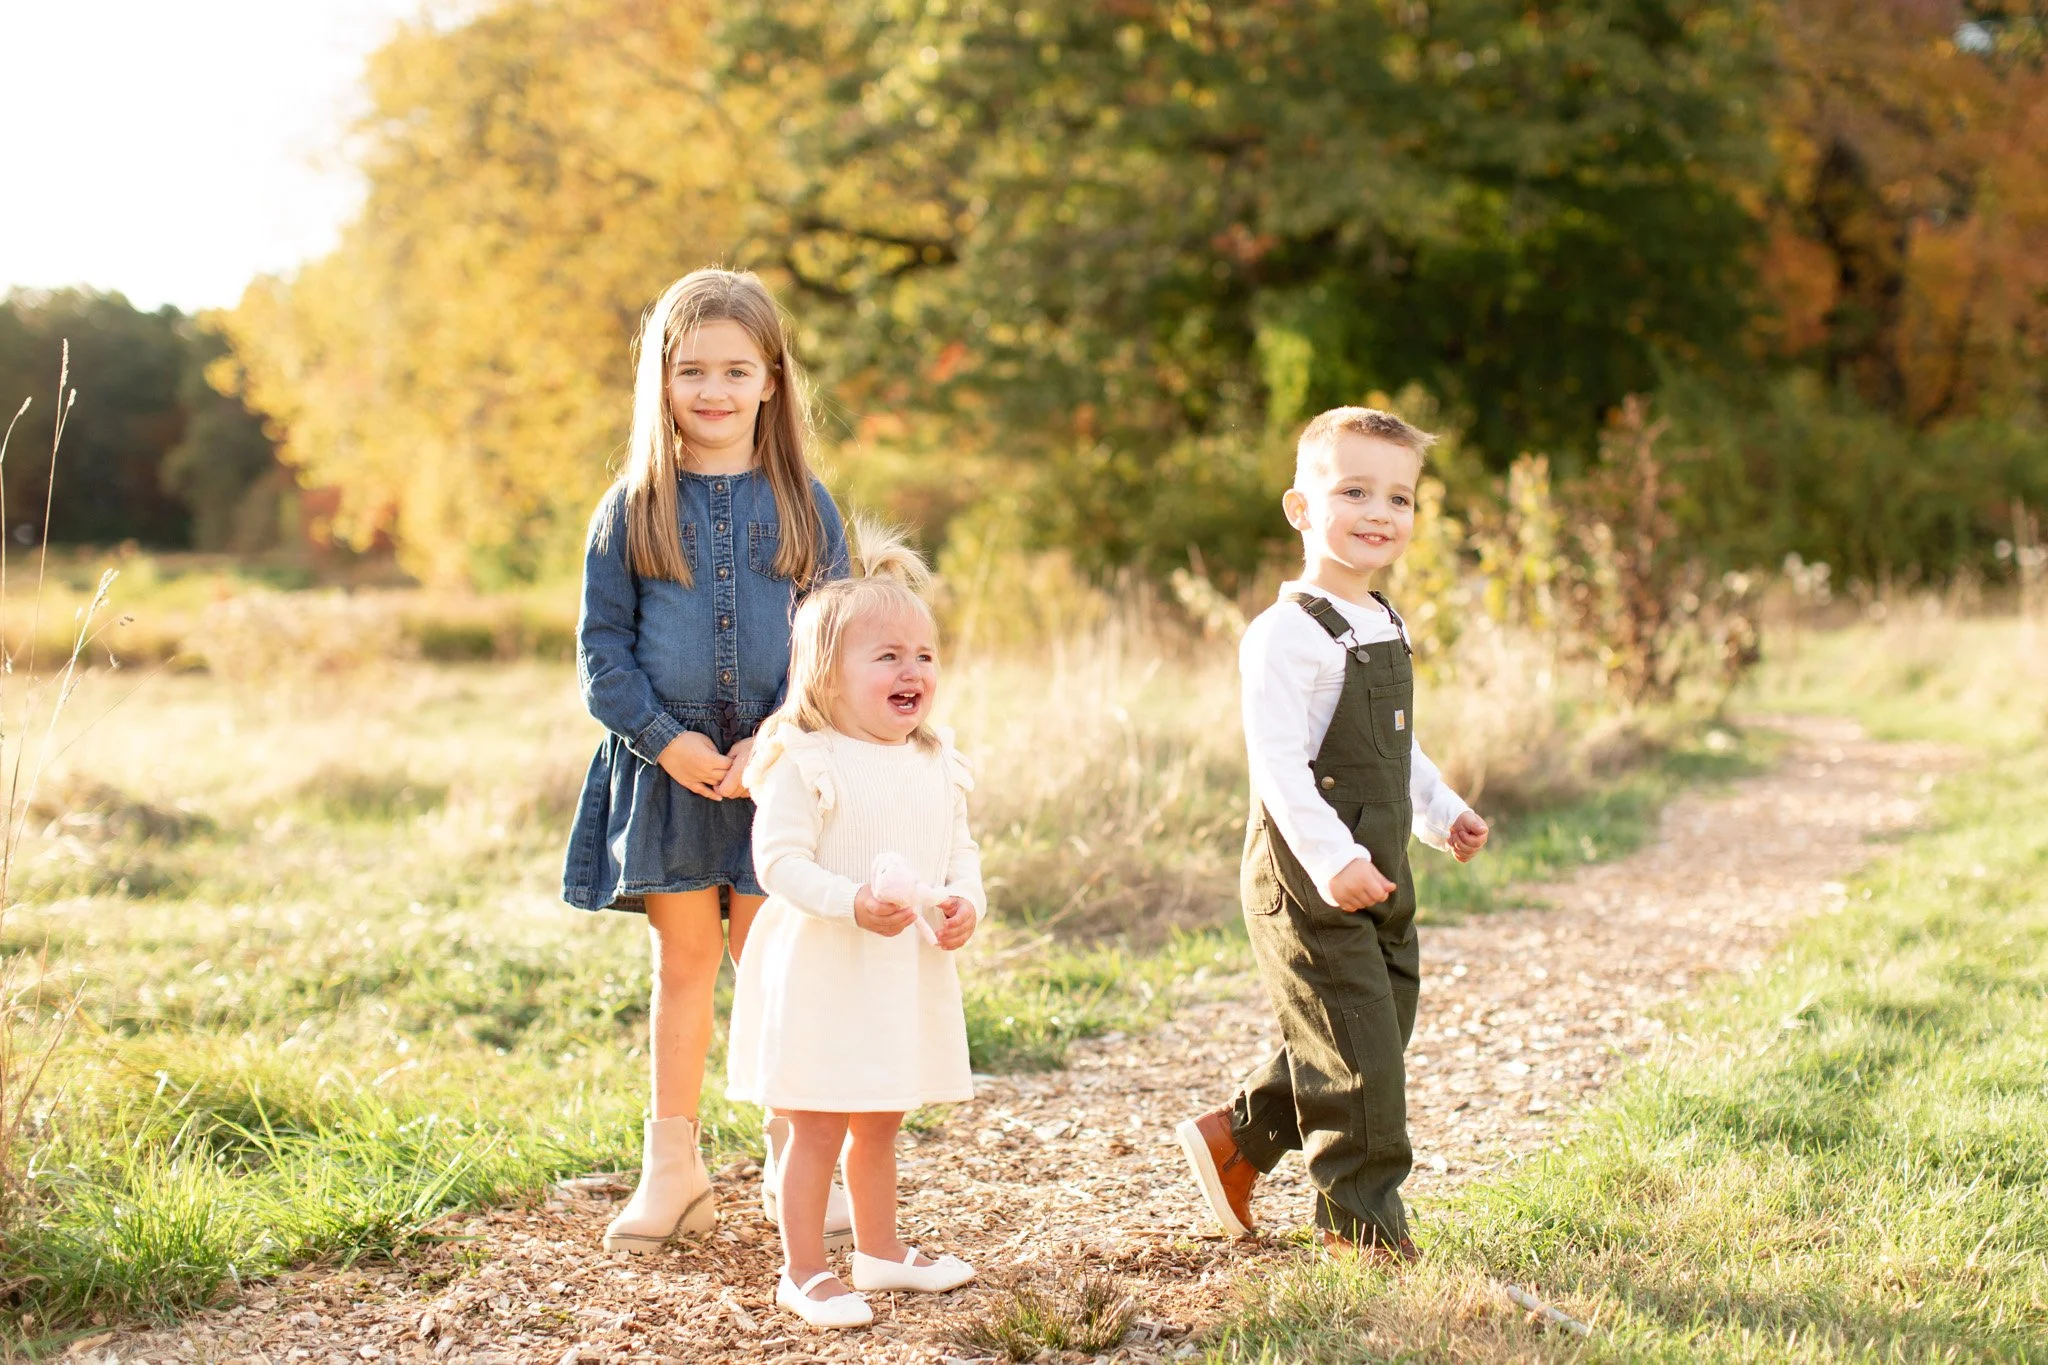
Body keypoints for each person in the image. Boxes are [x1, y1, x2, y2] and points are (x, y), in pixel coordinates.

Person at [562, 268, 854, 1253]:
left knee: (771, 962)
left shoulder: (806, 504)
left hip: (779, 774)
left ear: (771, 379)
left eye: (736, 370)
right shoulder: (631, 505)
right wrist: (666, 740)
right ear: (662, 380)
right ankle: (672, 1170)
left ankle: (793, 1160)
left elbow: (837, 641)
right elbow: (601, 652)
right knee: (684, 962)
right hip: (669, 769)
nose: (715, 391)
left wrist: (777, 739)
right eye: (693, 371)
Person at [1175, 406, 1490, 1261]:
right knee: (1360, 1060)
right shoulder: (1285, 635)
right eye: (1353, 490)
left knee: (1373, 1026)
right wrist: (1334, 859)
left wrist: (1444, 811)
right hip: (1307, 870)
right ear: (1301, 508)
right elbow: (1277, 768)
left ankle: (1236, 1140)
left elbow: (1397, 746)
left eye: (1400, 496)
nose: (1380, 512)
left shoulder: (1381, 619)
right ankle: (1362, 1232)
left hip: (1377, 862)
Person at [727, 524, 984, 1330]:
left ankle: (879, 1248)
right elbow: (778, 863)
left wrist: (961, 901)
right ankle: (802, 1270)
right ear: (827, 677)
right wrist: (849, 901)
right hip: (825, 966)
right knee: (818, 1121)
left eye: (924, 655)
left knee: (881, 1113)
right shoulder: (805, 759)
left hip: (896, 970)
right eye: (888, 657)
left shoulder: (933, 760)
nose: (913, 670)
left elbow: (959, 848)